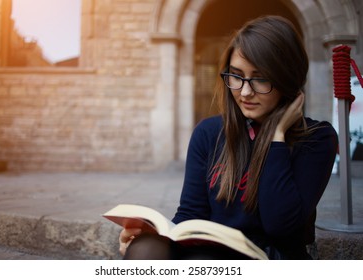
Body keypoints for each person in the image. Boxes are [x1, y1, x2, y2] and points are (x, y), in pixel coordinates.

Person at [118, 15, 338, 260]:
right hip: (211, 255)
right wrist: (155, 233)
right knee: (144, 249)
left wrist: (277, 137)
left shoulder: (317, 139)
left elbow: (281, 226)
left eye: (260, 78)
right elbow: (191, 215)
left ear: (287, 78)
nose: (245, 91)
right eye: (236, 76)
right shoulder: (209, 133)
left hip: (272, 258)